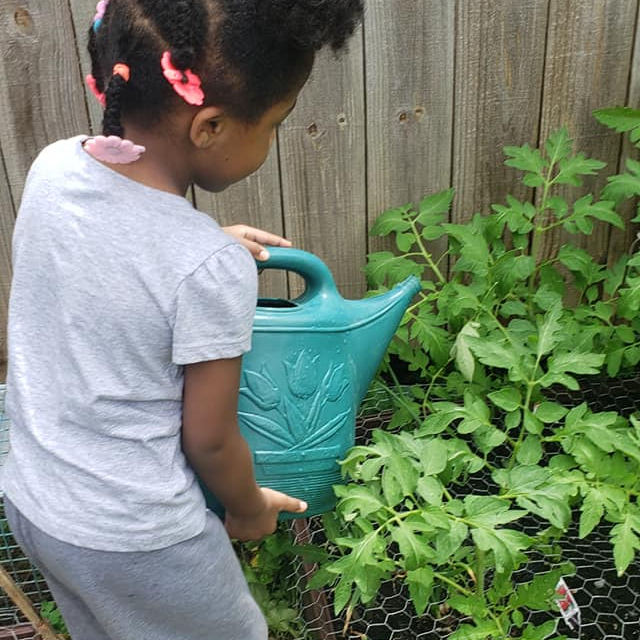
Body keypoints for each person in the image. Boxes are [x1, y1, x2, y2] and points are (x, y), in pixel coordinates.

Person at [1, 0, 364, 638]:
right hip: (138, 537)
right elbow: (212, 441)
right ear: (210, 128)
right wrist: (249, 509)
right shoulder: (206, 269)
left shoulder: (54, 166)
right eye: (277, 123)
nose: (274, 138)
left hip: (35, 501)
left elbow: (112, 251)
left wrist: (198, 251)